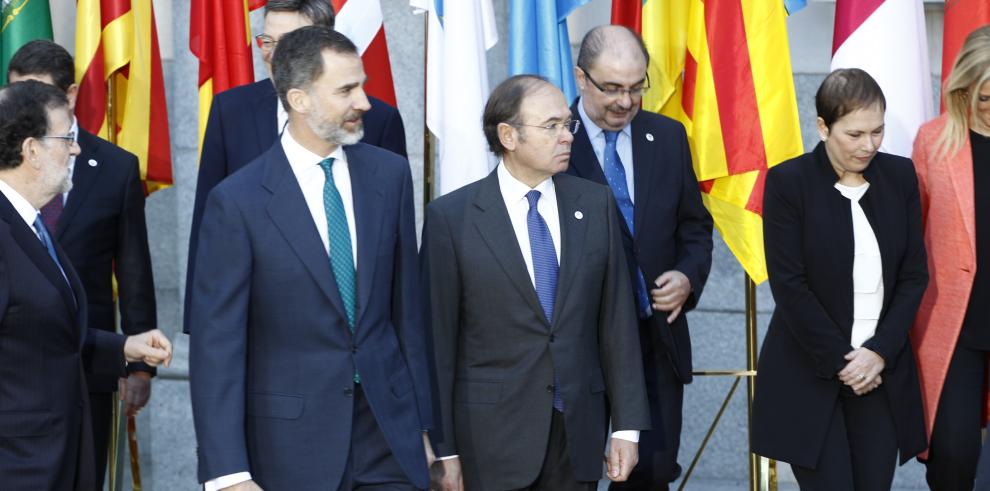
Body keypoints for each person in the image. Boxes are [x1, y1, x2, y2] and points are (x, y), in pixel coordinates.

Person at [189, 26, 433, 491]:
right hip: (290, 449)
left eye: (361, 85)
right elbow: (216, 346)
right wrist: (227, 473)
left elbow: (407, 314)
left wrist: (424, 429)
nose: (364, 102)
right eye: (346, 89)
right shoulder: (237, 202)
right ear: (299, 100)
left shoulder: (391, 176)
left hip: (389, 437)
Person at [423, 74, 651, 491]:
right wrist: (444, 449)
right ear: (508, 135)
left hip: (577, 434)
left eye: (568, 125)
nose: (566, 137)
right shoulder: (451, 219)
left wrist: (627, 427)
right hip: (489, 441)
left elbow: (617, 320)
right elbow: (438, 343)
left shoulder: (594, 203)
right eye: (551, 126)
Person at [751, 68, 928, 489]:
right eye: (855, 134)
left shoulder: (900, 177)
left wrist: (879, 352)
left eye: (877, 131)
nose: (869, 145)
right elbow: (790, 286)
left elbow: (914, 275)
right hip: (811, 374)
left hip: (880, 375)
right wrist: (844, 362)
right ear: (823, 126)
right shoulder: (788, 183)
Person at [185, 0, 407, 334]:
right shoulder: (231, 111)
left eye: (288, 42)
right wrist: (199, 321)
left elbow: (394, 248)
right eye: (267, 42)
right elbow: (207, 222)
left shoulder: (377, 120)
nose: (273, 54)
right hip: (260, 324)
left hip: (353, 328)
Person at [0, 80, 172, 490]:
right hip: (21, 467)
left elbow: (44, 333)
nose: (76, 149)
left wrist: (124, 347)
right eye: (66, 138)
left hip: (59, 457)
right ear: (31, 150)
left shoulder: (32, 223)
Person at [565, 26, 714, 490]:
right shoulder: (553, 141)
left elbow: (695, 227)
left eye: (635, 87)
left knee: (650, 474)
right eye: (611, 88)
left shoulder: (667, 137)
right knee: (573, 474)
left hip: (654, 344)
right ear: (581, 79)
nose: (625, 102)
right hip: (577, 348)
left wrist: (687, 277)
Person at [911, 24, 990, 491]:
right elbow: (912, 236)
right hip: (953, 322)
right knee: (953, 454)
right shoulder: (933, 141)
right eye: (986, 97)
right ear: (964, 89)